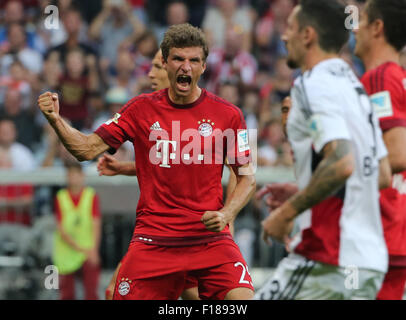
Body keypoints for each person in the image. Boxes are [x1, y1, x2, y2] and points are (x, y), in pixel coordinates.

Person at [38, 23, 255, 300]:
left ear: (203, 66)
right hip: (154, 239)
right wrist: (56, 120)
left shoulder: (229, 115)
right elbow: (87, 149)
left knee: (243, 300)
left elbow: (247, 176)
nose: (185, 67)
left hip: (209, 239)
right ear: (165, 62)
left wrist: (227, 213)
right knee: (112, 293)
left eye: (193, 60)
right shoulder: (140, 109)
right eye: (178, 59)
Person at [254, 0, 392, 300]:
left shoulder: (312, 84)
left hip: (327, 260)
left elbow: (342, 163)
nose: (283, 36)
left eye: (290, 27)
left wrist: (287, 212)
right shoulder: (355, 88)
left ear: (308, 35)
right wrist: (306, 189)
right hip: (366, 264)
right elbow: (380, 174)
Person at [353, 0, 406, 300]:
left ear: (377, 28)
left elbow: (397, 155)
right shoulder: (398, 77)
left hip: (380, 231)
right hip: (394, 232)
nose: (355, 29)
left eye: (361, 20)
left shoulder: (380, 78)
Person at [52, 162, 102, 300]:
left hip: (88, 251)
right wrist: (80, 248)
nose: (73, 178)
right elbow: (61, 229)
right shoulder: (60, 197)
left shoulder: (91, 196)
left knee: (91, 292)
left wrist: (94, 250)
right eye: (70, 175)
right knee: (67, 294)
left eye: (76, 175)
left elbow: (96, 224)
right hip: (67, 253)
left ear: (82, 176)